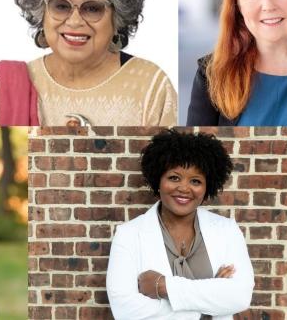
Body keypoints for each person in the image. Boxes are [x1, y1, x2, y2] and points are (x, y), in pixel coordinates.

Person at [0, 0, 177, 126]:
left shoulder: (151, 85)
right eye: (61, 6)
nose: (75, 21)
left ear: (117, 17)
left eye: (93, 8)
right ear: (41, 13)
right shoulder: (10, 87)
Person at [106, 129, 254, 319]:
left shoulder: (227, 230)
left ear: (207, 186)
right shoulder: (128, 234)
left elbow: (240, 297)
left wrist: (164, 286)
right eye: (174, 177)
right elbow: (125, 310)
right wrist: (210, 298)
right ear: (158, 180)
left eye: (195, 181)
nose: (184, 188)